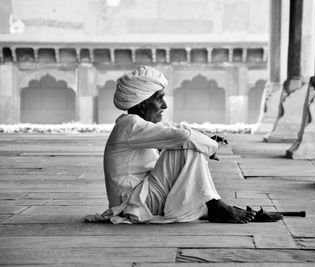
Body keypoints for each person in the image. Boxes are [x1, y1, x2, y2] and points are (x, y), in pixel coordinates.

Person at [87, 65, 282, 224]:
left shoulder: (136, 127)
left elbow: (174, 129)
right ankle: (216, 206)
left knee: (187, 142)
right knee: (187, 144)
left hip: (142, 198)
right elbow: (183, 137)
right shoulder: (130, 125)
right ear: (143, 103)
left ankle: (222, 208)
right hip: (134, 203)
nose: (164, 106)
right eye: (159, 98)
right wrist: (211, 147)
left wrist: (206, 140)